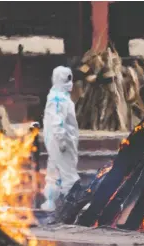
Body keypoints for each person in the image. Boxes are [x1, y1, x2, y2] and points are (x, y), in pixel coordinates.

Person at [41, 66, 80, 211]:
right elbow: (57, 122)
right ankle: (74, 203)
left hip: (55, 141)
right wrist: (62, 139)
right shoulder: (59, 99)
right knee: (68, 173)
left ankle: (51, 202)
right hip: (63, 141)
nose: (70, 83)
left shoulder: (57, 96)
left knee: (54, 172)